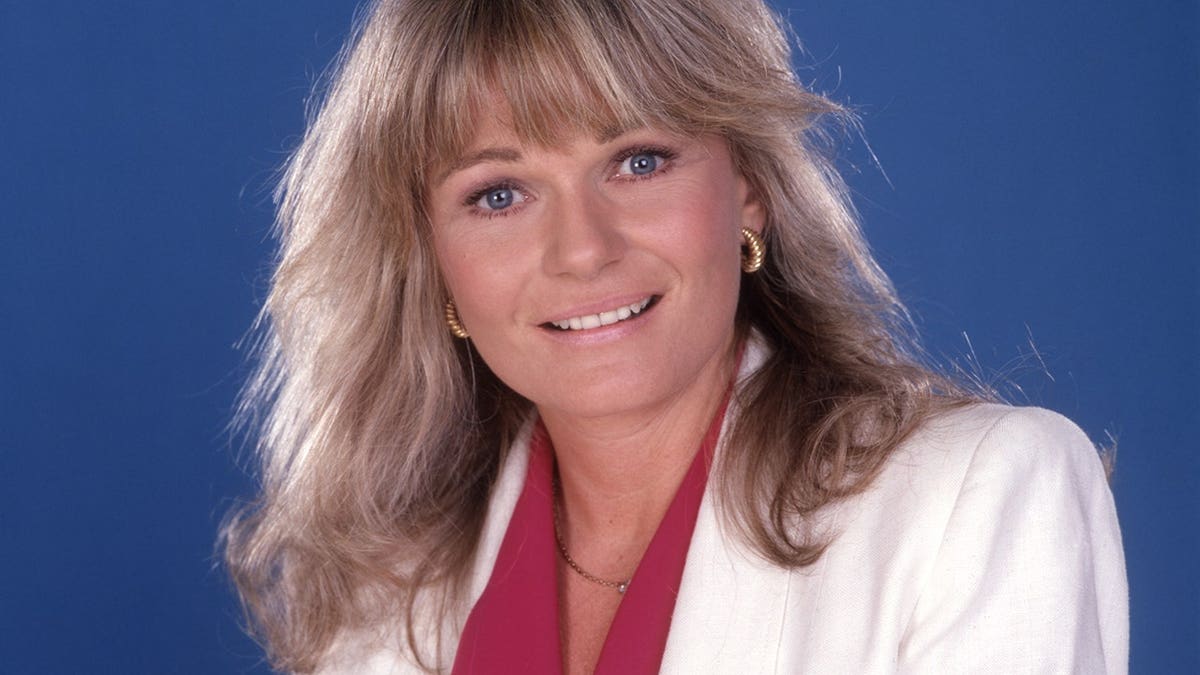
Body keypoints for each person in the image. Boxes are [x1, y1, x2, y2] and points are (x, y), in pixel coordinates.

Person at [222, 0, 1128, 673]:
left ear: (749, 190)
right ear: (433, 265)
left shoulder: (979, 501)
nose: (583, 249)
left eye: (639, 160)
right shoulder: (384, 593)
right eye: (498, 194)